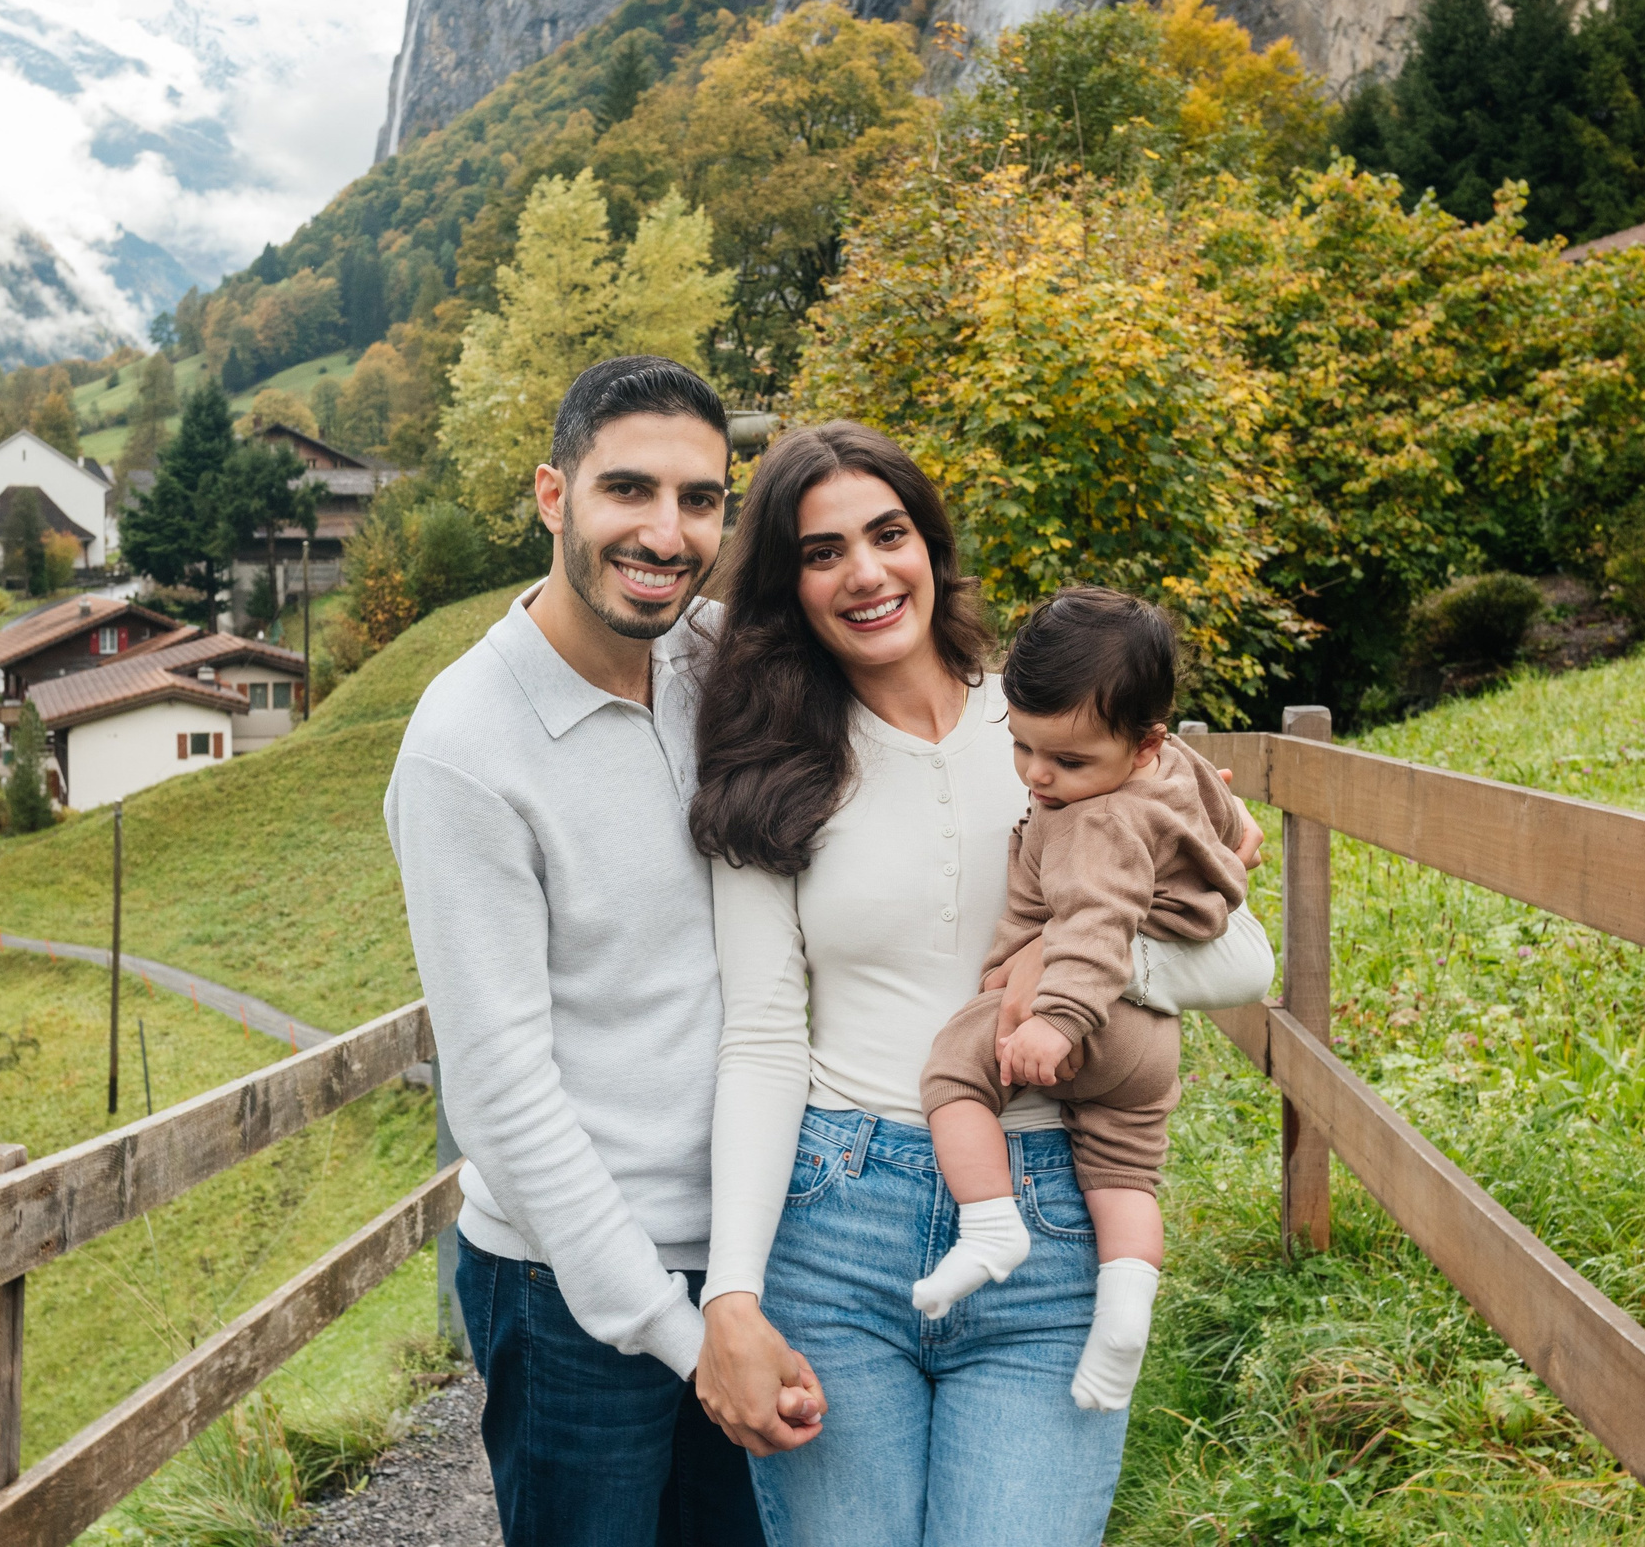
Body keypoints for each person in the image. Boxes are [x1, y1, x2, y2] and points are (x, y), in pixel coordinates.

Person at [690, 422, 1267, 1545]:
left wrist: (1067, 964)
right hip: (834, 1219)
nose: (863, 571)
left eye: (887, 533)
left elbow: (1245, 959)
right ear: (786, 585)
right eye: (820, 551)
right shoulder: (768, 770)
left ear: (928, 544)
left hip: (1049, 1215)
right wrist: (732, 1292)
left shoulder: (1070, 723)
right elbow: (760, 1039)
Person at [385, 357, 796, 1547]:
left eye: (701, 499)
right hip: (568, 1287)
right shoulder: (465, 747)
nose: (667, 532)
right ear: (553, 495)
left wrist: (1149, 784)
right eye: (629, 489)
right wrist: (682, 1334)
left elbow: (931, 703)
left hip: (743, 1255)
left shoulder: (712, 657)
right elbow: (502, 1095)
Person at [913, 586, 1252, 1416]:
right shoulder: (1172, 769)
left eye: (1067, 761)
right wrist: (1230, 829)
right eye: (1024, 747)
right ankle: (1125, 1309)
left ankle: (990, 1224)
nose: (1038, 775)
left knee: (955, 1070)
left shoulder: (1095, 824)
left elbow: (1095, 926)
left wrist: (1057, 1019)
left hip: (1086, 1016)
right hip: (1149, 1046)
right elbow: (1227, 820)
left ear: (1142, 747)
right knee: (1125, 1172)